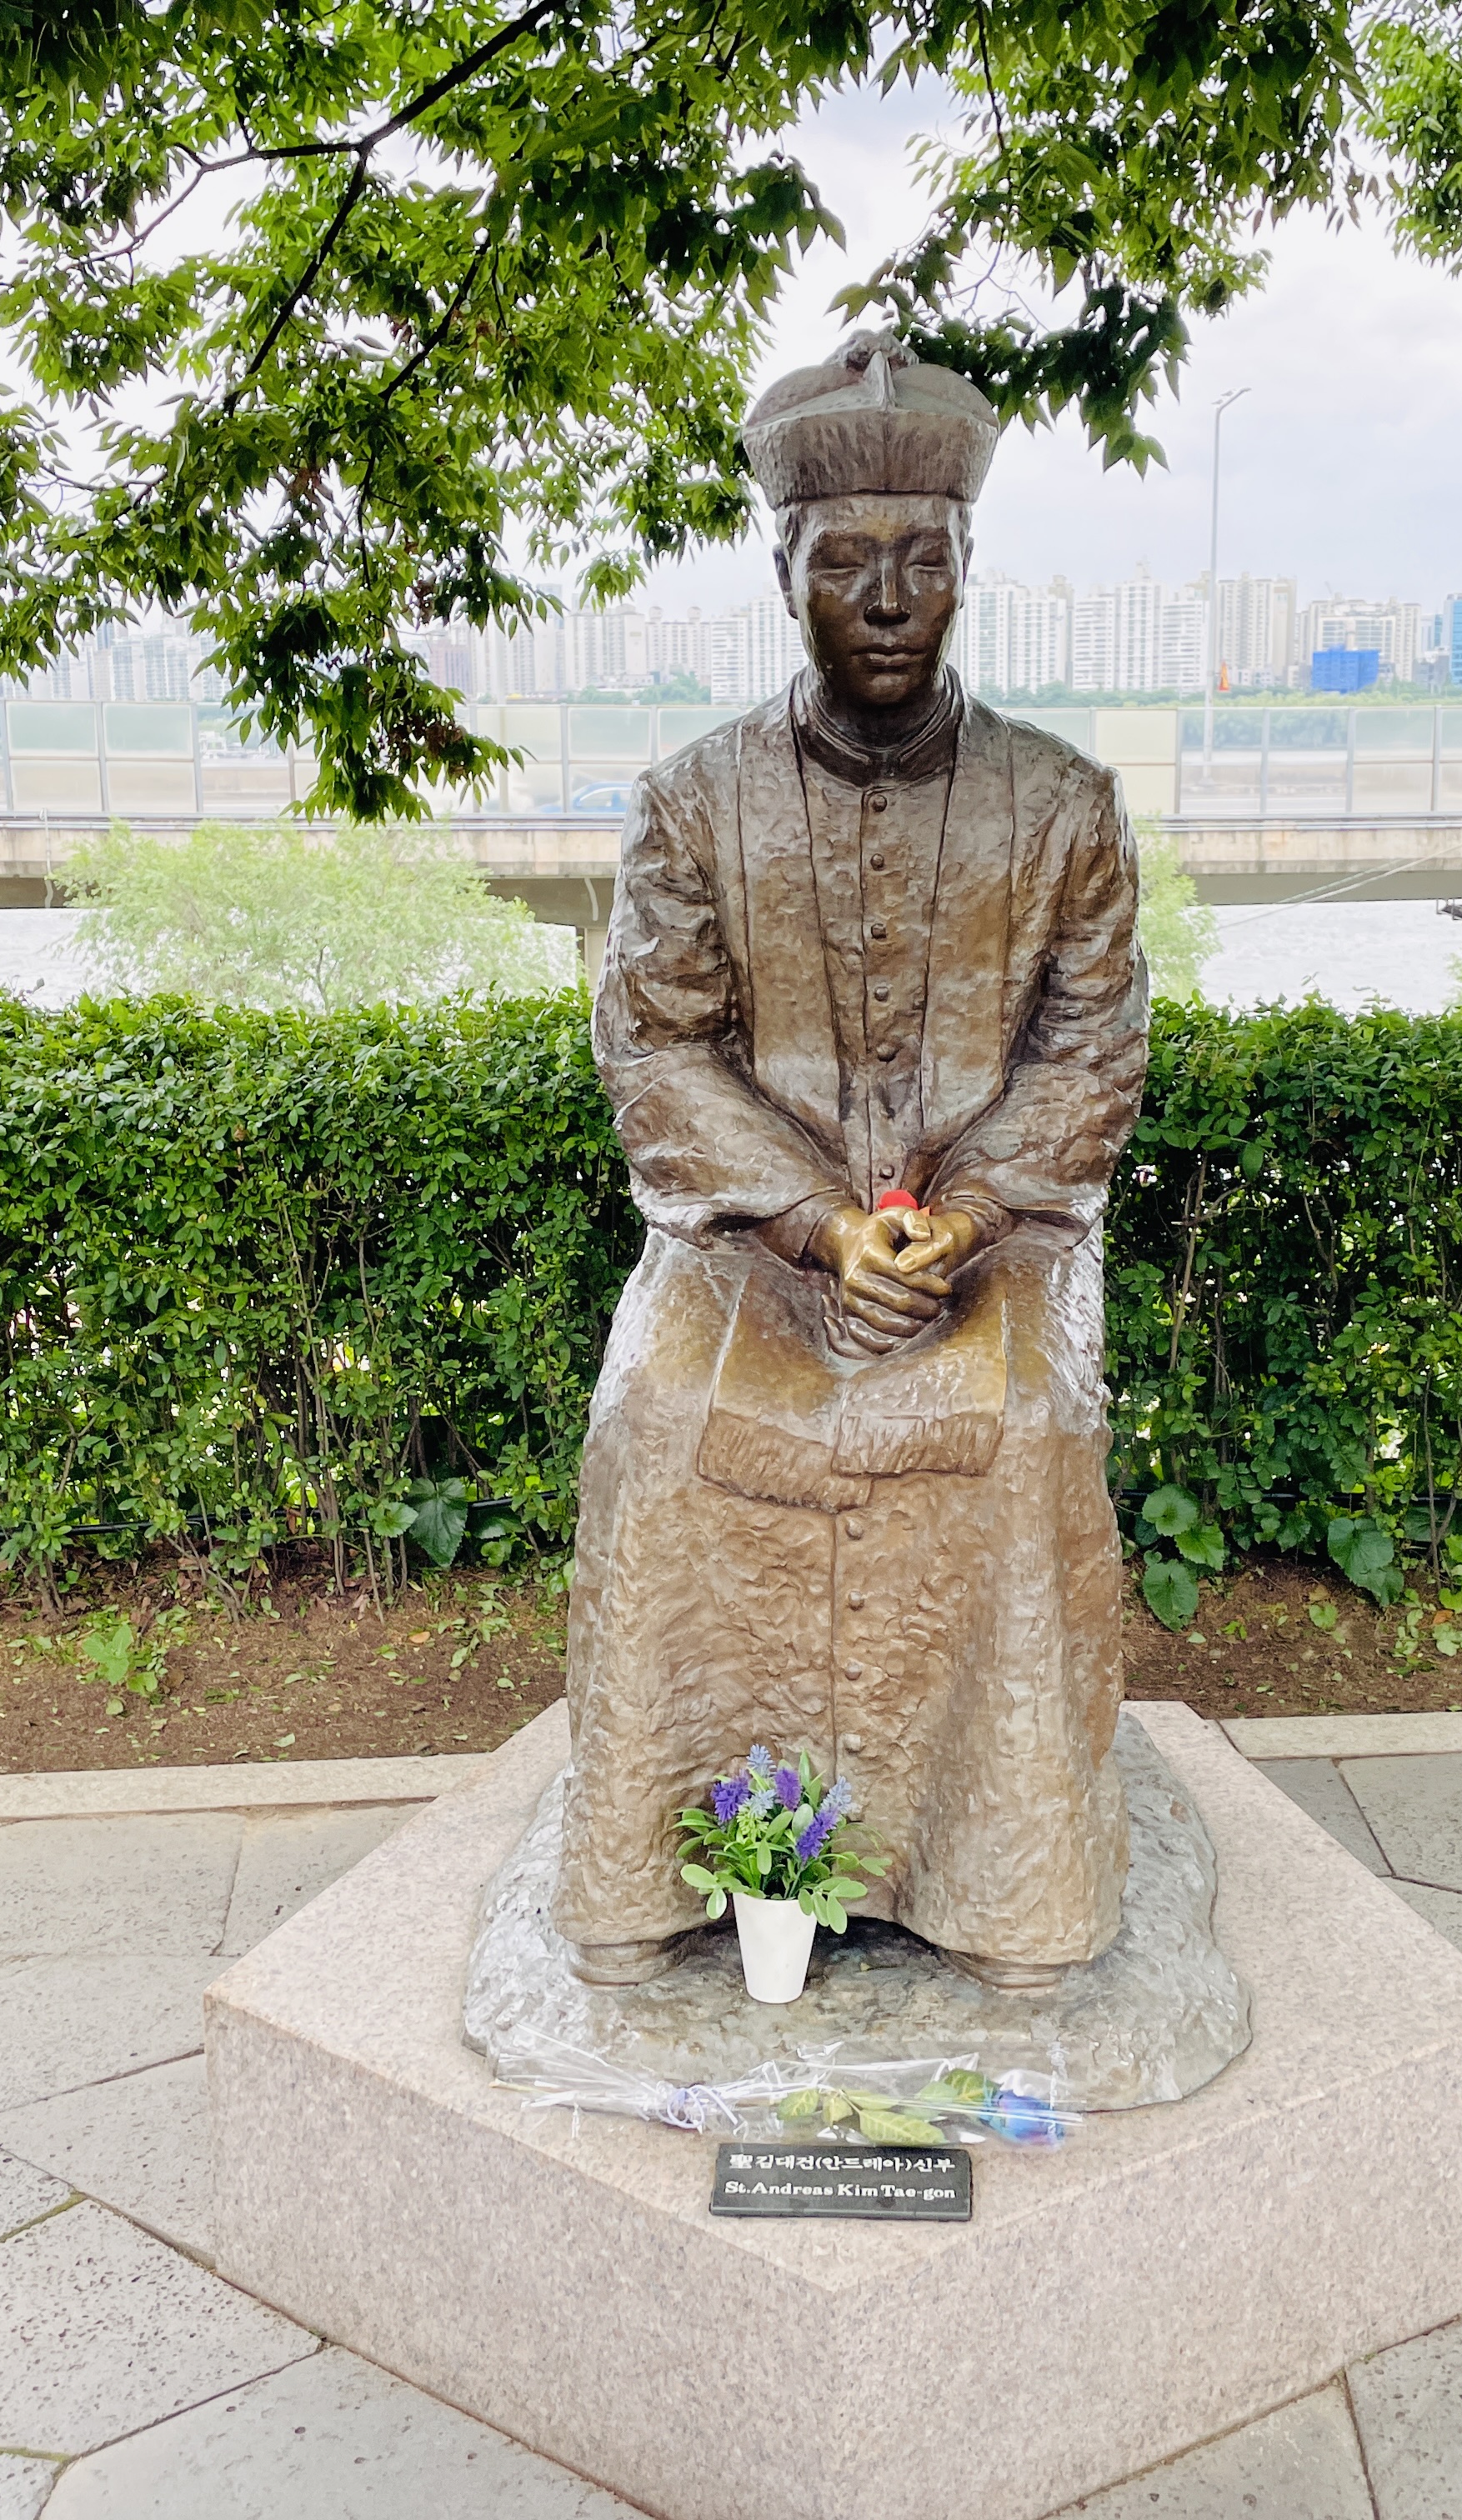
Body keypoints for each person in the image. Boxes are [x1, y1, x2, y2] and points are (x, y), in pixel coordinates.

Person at [553, 332, 1149, 1993]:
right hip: (752, 1240)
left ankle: (1006, 1882)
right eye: (844, 566)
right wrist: (821, 1225)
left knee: (1024, 1431)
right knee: (659, 1421)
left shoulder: (1064, 804)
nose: (888, 602)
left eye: (924, 563)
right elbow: (657, 1048)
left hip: (997, 1238)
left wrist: (961, 1217)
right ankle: (656, 1868)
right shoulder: (693, 802)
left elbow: (1090, 1052)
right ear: (785, 576)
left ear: (967, 572)